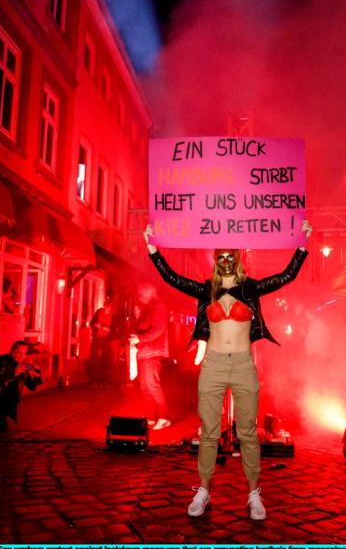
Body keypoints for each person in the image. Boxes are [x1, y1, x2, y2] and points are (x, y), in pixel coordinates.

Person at [145, 220, 311, 521]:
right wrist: (153, 250)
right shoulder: (206, 290)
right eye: (219, 257)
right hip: (214, 365)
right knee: (208, 432)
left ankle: (253, 495)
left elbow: (286, 276)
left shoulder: (251, 287)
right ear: (215, 262)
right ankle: (204, 490)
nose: (225, 261)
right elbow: (173, 278)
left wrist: (301, 246)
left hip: (244, 365)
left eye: (230, 256)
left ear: (238, 259)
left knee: (247, 432)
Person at [129, 283, 171, 430]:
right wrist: (138, 317)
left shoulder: (158, 308)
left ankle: (164, 417)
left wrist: (140, 339)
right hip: (145, 352)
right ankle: (151, 417)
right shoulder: (149, 309)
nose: (140, 298)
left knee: (152, 385)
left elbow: (158, 330)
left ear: (150, 294)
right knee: (145, 386)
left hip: (152, 352)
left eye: (142, 295)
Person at [90, 295, 115, 384]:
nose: (107, 309)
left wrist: (102, 327)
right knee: (95, 358)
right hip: (97, 337)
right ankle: (95, 379)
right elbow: (92, 323)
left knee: (105, 358)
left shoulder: (113, 316)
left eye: (108, 307)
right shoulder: (99, 312)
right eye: (106, 307)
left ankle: (104, 379)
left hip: (106, 339)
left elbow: (112, 330)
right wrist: (97, 326)